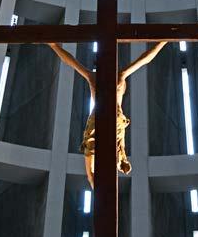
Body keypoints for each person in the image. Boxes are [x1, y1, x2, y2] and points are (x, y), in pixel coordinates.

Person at [47, 41, 167, 188]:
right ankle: (105, 182)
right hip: (101, 120)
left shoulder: (112, 77)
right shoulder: (102, 77)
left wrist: (163, 41)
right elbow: (70, 61)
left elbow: (145, 58)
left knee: (95, 170)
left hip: (107, 120)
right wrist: (54, 46)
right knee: (92, 173)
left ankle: (113, 169)